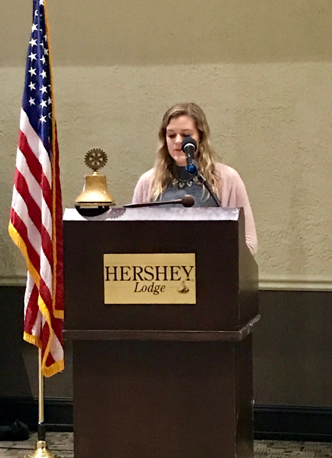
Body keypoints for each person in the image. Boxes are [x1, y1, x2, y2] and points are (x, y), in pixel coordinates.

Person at [132, 102, 257, 255]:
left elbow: (249, 242)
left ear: (200, 137)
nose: (178, 141)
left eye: (186, 135)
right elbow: (135, 241)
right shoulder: (147, 182)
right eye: (171, 135)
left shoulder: (227, 179)